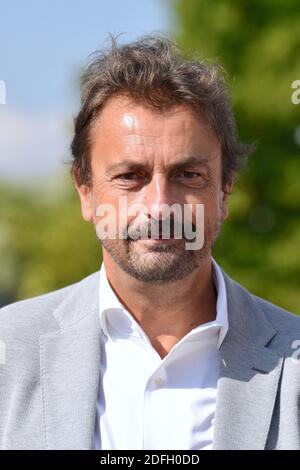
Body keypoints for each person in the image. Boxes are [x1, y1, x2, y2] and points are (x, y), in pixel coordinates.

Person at [0, 35, 300, 450]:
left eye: (188, 175)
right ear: (85, 190)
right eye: (130, 176)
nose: (160, 207)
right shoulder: (9, 352)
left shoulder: (294, 362)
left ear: (225, 191)